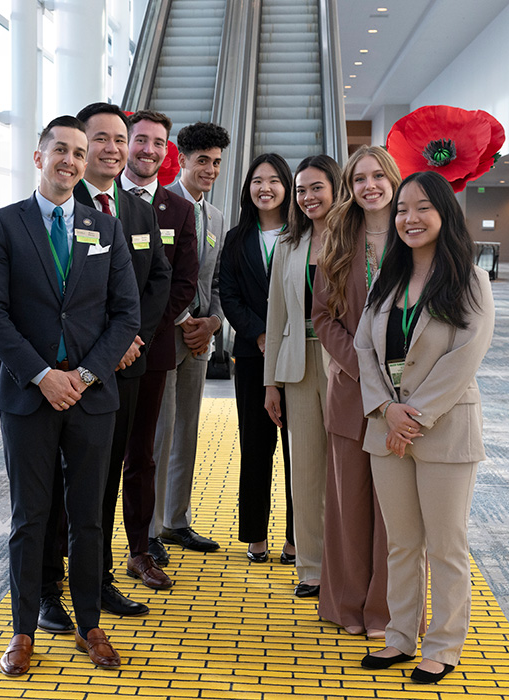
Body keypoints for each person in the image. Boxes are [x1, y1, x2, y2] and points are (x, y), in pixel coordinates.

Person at [0, 115, 140, 675]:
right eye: (60, 150)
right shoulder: (4, 225)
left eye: (77, 151)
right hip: (29, 395)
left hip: (91, 397)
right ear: (38, 155)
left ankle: (91, 624)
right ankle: (22, 632)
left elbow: (125, 315)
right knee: (30, 516)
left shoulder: (105, 228)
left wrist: (86, 375)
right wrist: (43, 374)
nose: (70, 160)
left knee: (89, 516)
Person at [355, 170, 495, 684]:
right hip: (386, 425)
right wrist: (386, 410)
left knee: (446, 544)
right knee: (401, 542)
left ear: (444, 214)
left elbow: (467, 354)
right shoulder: (385, 278)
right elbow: (363, 348)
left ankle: (444, 645)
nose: (409, 218)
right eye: (401, 210)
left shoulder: (468, 279)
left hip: (444, 428)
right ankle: (399, 636)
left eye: (422, 208)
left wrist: (413, 418)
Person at [38, 103, 171, 629]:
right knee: (50, 484)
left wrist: (132, 340)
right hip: (61, 373)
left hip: (124, 369)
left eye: (122, 138)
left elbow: (157, 279)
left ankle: (96, 578)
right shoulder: (54, 211)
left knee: (103, 478)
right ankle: (48, 586)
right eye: (102, 138)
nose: (114, 149)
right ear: (76, 145)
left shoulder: (136, 211)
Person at [311, 144, 400, 638]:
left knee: (395, 512)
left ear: (392, 178)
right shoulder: (338, 239)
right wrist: (362, 369)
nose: (369, 185)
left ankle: (387, 613)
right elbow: (322, 317)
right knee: (349, 505)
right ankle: (346, 606)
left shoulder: (413, 235)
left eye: (377, 176)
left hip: (403, 393)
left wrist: (391, 378)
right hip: (350, 391)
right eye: (359, 177)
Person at [120, 109, 199, 573]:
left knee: (143, 453)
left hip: (151, 352)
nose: (148, 150)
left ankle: (141, 550)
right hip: (94, 354)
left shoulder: (178, 209)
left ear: (167, 151)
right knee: (91, 453)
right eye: (140, 140)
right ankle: (83, 548)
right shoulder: (94, 203)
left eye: (158, 143)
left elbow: (183, 284)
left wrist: (139, 336)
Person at [151, 121, 231, 559]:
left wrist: (214, 322)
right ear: (181, 160)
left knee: (187, 431)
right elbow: (156, 277)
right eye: (203, 161)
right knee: (160, 434)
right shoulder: (159, 206)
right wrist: (185, 320)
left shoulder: (215, 216)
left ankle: (176, 521)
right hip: (168, 333)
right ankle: (151, 526)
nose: (211, 170)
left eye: (217, 162)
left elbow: (213, 279)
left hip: (200, 337)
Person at [263, 154, 340, 596]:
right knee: (306, 471)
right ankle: (311, 567)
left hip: (343, 366)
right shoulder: (289, 244)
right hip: (297, 364)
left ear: (334, 188)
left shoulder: (356, 239)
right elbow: (276, 314)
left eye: (317, 187)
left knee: (346, 470)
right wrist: (270, 381)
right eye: (302, 190)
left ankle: (345, 564)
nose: (308, 197)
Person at [219, 152, 294, 563]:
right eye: (256, 181)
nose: (264, 188)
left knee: (298, 450)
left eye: (273, 180)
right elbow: (227, 294)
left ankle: (296, 537)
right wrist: (260, 333)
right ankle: (254, 533)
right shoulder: (236, 237)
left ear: (287, 186)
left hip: (299, 354)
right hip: (252, 354)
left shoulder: (304, 234)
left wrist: (283, 338)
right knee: (255, 445)